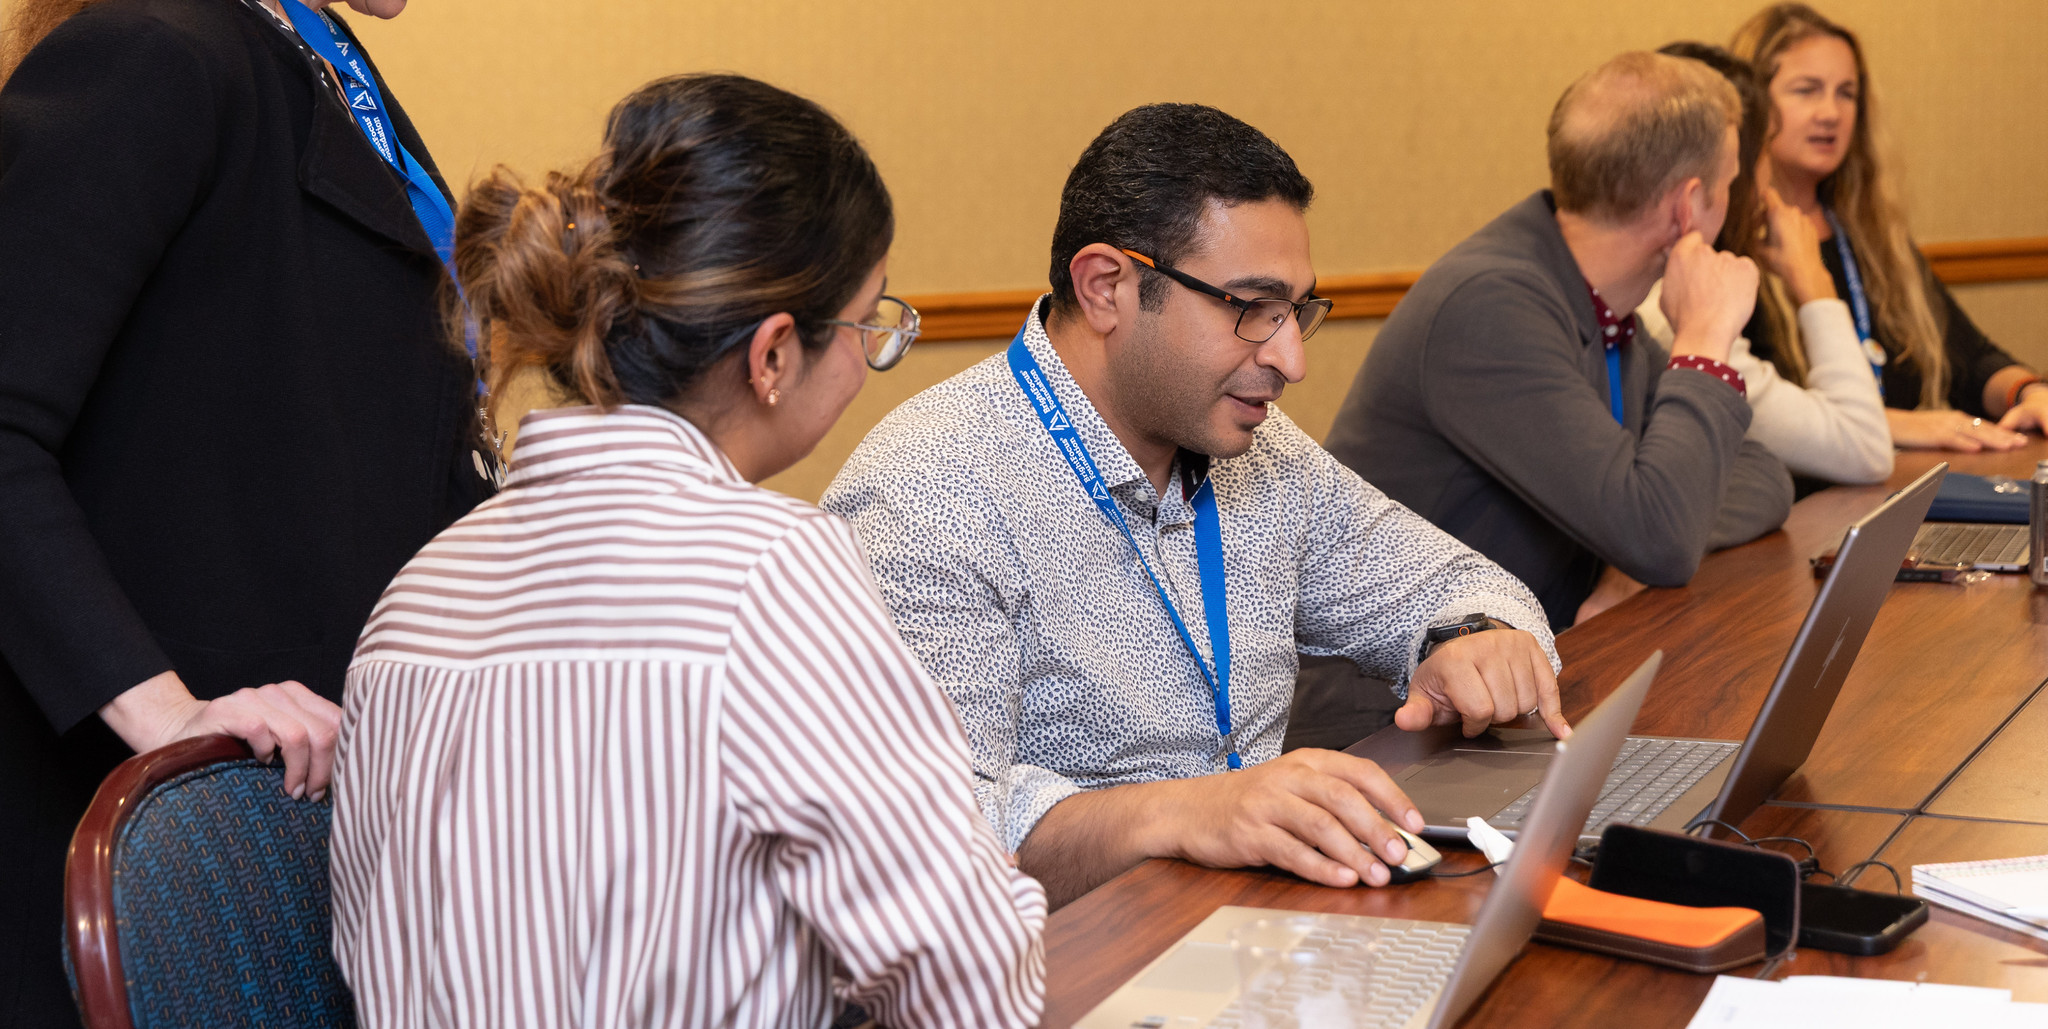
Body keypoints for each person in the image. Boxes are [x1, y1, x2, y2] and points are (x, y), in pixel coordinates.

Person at [0, 0, 525, 1022]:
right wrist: (166, 713)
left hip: (297, 808)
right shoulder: (155, 56)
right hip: (132, 835)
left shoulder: (319, 60)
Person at [331, 74, 1046, 1029]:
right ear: (775, 354)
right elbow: (971, 990)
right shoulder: (773, 573)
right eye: (869, 322)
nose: (868, 360)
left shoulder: (418, 591)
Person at [823, 103, 1563, 911]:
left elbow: (1460, 587)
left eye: (1298, 311)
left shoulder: (1257, 449)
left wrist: (1474, 639)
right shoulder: (929, 490)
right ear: (1107, 287)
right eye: (1252, 308)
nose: (1290, 358)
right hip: (1055, 972)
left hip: (1248, 930)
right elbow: (929, 841)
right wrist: (1186, 812)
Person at [1325, 53, 1794, 630]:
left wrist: (1630, 560)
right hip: (1401, 707)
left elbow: (1763, 476)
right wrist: (1701, 341)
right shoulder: (1493, 307)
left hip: (1525, 675)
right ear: (1689, 205)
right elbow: (1662, 538)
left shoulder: (1599, 307)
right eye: (1729, 185)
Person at [1730, 1, 2048, 452]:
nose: (1831, 112)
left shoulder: (1871, 238)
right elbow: (1752, 411)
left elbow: (1972, 361)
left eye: (1846, 93)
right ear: (1754, 103)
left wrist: (2030, 393)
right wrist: (1892, 425)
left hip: (1909, 488)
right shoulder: (1727, 251)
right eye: (1807, 90)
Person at [1635, 43, 1891, 487]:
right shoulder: (1671, 310)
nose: (1767, 186)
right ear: (1696, 195)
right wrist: (1815, 287)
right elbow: (1864, 449)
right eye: (1758, 162)